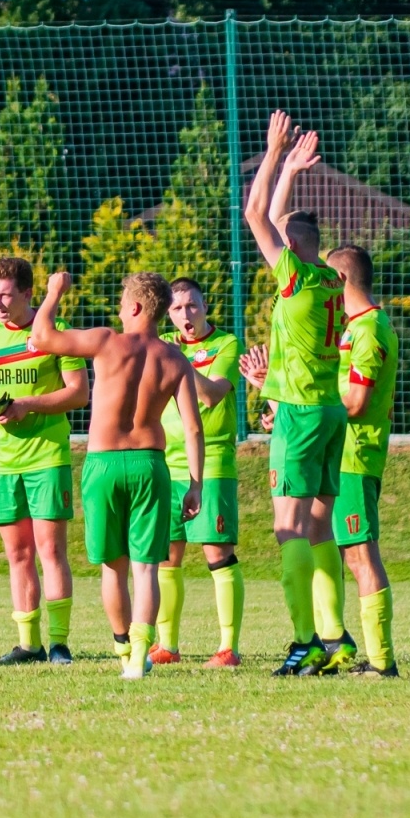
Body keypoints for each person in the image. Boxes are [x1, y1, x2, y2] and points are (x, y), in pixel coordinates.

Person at [29, 271, 204, 680]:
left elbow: (42, 335)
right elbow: (193, 428)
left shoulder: (108, 341)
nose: (120, 310)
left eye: (123, 303)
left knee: (114, 568)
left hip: (104, 464)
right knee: (147, 567)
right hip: (150, 464)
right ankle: (142, 653)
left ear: (137, 307)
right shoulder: (174, 358)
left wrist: (54, 292)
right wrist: (196, 483)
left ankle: (123, 647)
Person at [244, 246, 399, 678]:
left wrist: (307, 412)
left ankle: (382, 663)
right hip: (342, 447)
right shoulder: (354, 327)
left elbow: (356, 400)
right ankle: (340, 644)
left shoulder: (368, 330)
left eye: (326, 275)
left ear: (341, 280)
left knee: (361, 553)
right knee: (340, 548)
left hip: (355, 454)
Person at [243, 112, 349, 676]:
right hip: (330, 410)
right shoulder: (331, 278)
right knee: (319, 526)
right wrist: (291, 170)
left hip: (302, 414)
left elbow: (255, 214)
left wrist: (274, 154)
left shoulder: (297, 279)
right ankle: (336, 638)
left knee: (288, 528)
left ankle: (303, 641)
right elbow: (277, 219)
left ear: (289, 249)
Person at [0, 256, 90, 665]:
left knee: (50, 552)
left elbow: (78, 393)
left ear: (27, 294)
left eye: (5, 296)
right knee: (17, 555)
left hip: (47, 457)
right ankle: (28, 645)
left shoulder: (56, 333)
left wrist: (26, 405)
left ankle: (58, 644)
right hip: (3, 462)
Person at [153, 278, 246, 668]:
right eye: (176, 309)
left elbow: (211, 394)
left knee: (217, 553)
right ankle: (166, 645)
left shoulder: (225, 344)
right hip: (165, 463)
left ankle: (228, 648)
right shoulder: (162, 346)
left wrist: (180, 361)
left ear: (205, 306)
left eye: (192, 306)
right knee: (166, 557)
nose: (185, 315)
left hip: (211, 465)